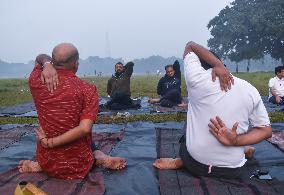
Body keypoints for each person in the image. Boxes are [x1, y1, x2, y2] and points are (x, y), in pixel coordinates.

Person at [153, 41, 272, 179]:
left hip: (197, 165)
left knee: (191, 117)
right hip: (233, 169)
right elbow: (266, 131)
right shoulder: (250, 89)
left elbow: (190, 45)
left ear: (201, 66)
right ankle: (244, 148)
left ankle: (181, 160)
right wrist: (235, 141)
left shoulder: (196, 80)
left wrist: (217, 64)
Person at [18, 43, 127, 180]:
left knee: (54, 125)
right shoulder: (87, 89)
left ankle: (39, 165)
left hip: (47, 161)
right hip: (80, 164)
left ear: (52, 62)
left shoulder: (35, 80)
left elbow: (39, 57)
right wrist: (51, 142)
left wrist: (46, 64)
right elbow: (85, 129)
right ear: (76, 64)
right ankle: (98, 156)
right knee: (81, 125)